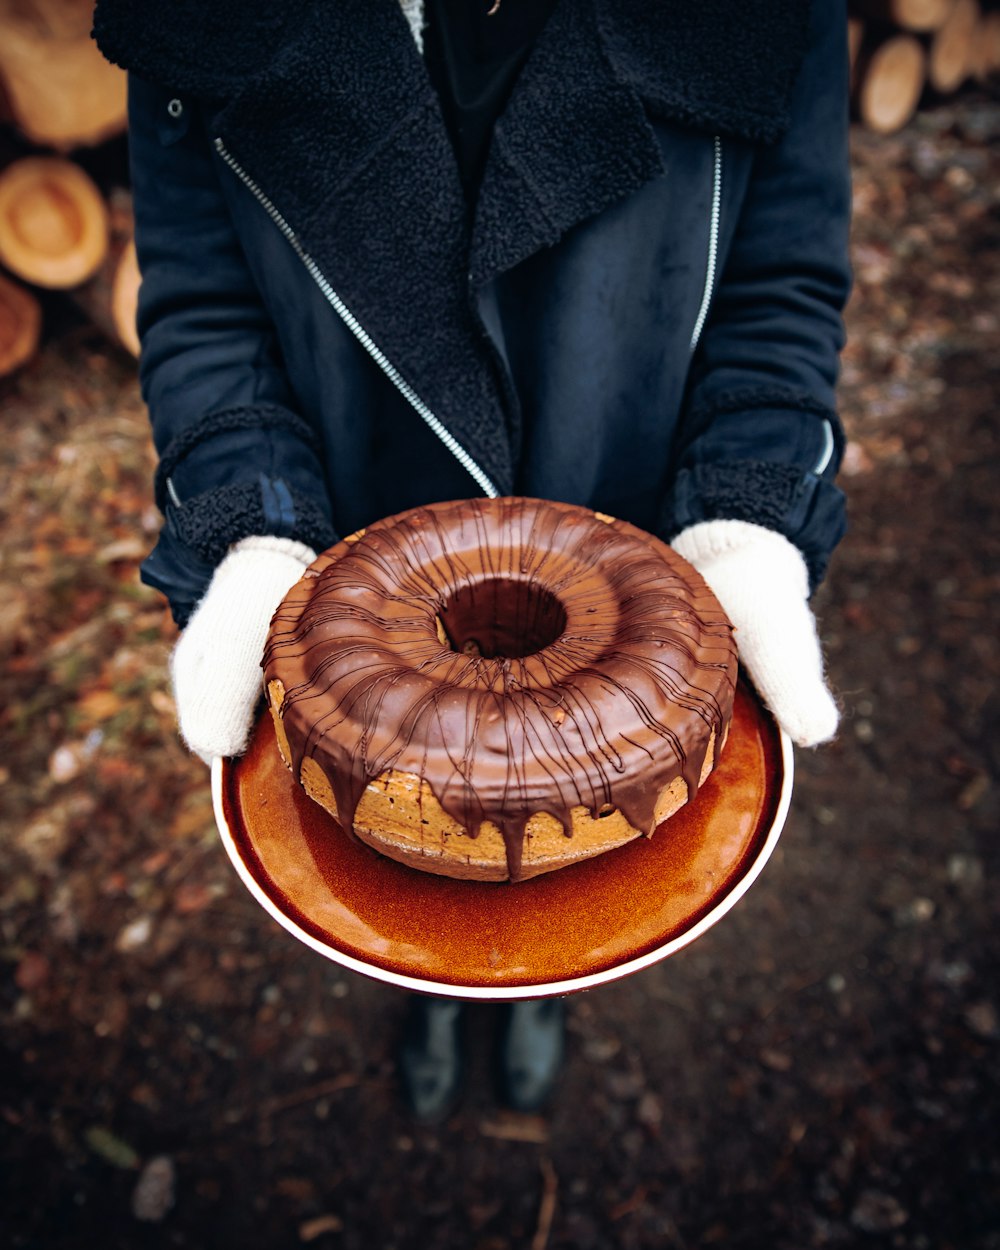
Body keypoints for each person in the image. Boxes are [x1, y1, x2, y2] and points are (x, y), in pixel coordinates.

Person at [94, 0, 852, 1120]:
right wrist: (251, 524)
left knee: (569, 837)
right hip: (350, 551)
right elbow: (205, 304)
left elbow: (778, 283)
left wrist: (739, 511)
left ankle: (537, 974)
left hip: (630, 546)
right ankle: (436, 973)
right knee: (414, 837)